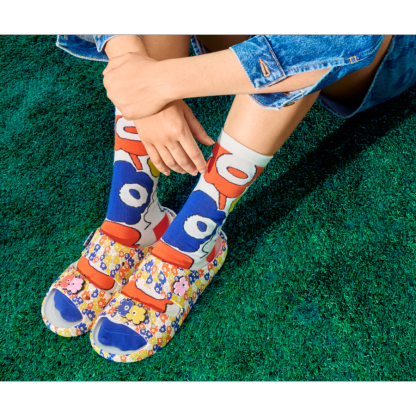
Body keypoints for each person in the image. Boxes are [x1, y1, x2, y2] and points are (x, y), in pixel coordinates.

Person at [41, 35, 416, 362]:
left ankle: (191, 241)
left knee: (305, 43)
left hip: (369, 56)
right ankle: (132, 216)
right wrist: (131, 64)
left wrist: (156, 82)